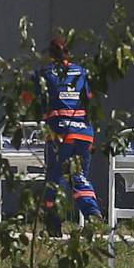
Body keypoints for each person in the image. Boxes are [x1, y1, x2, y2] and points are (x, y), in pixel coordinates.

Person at [38, 37, 101, 236]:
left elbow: (33, 99)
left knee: (55, 178)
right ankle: (92, 215)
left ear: (50, 55)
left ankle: (53, 221)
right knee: (79, 177)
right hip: (84, 133)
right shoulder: (81, 72)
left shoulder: (45, 73)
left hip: (60, 134)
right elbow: (90, 101)